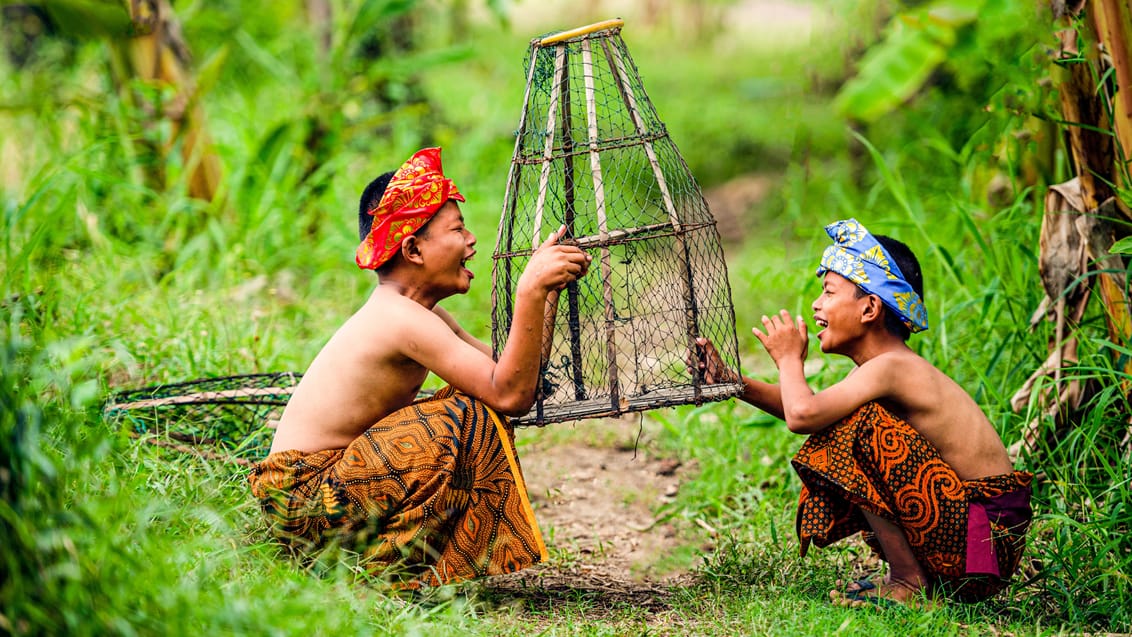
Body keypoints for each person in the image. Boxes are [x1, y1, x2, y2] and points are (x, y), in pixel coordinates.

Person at [248, 147, 591, 588]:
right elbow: (510, 394)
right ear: (412, 248)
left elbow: (514, 372)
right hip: (303, 495)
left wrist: (547, 290)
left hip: (328, 488)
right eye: (458, 229)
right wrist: (527, 291)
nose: (471, 242)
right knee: (463, 415)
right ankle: (372, 572)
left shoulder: (416, 316)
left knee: (472, 405)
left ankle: (375, 564)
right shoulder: (399, 319)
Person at [696, 218, 1032, 607]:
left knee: (854, 426)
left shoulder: (893, 368)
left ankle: (909, 583)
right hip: (971, 540)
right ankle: (914, 577)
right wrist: (730, 381)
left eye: (828, 292)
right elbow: (811, 410)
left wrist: (789, 360)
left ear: (870, 307)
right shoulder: (883, 370)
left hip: (984, 539)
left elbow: (802, 415)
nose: (817, 305)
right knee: (846, 421)